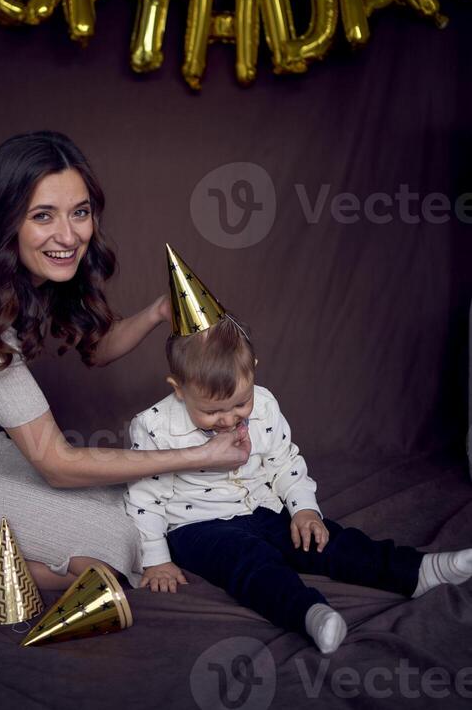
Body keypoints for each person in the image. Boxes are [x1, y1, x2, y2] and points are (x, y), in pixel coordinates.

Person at [0, 133, 250, 591]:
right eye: (43, 216)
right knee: (116, 542)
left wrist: (160, 311)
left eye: (79, 212)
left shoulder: (27, 266)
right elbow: (56, 463)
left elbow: (95, 349)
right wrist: (199, 456)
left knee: (133, 503)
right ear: (5, 220)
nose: (69, 235)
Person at [124, 245, 472, 652]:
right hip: (198, 527)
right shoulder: (153, 425)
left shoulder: (266, 403)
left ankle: (417, 571)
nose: (230, 419)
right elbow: (144, 496)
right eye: (213, 411)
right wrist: (156, 558)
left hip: (264, 506)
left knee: (326, 539)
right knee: (250, 563)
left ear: (253, 370)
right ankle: (309, 613)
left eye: (240, 404)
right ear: (178, 390)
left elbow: (284, 460)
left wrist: (304, 507)